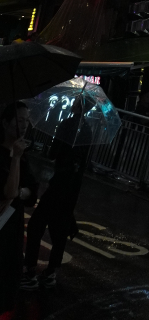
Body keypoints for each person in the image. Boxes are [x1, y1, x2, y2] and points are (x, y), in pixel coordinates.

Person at [21, 140, 87, 289]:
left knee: (35, 227)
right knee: (59, 234)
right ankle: (50, 273)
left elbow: (53, 154)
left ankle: (30, 272)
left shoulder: (67, 130)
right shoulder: (86, 134)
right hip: (70, 192)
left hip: (57, 189)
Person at [0, 102, 37, 314]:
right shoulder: (8, 154)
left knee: (10, 274)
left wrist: (21, 192)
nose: (24, 126)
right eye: (19, 120)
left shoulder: (22, 154)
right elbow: (9, 192)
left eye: (27, 121)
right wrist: (15, 158)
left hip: (13, 226)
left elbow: (32, 190)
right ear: (5, 123)